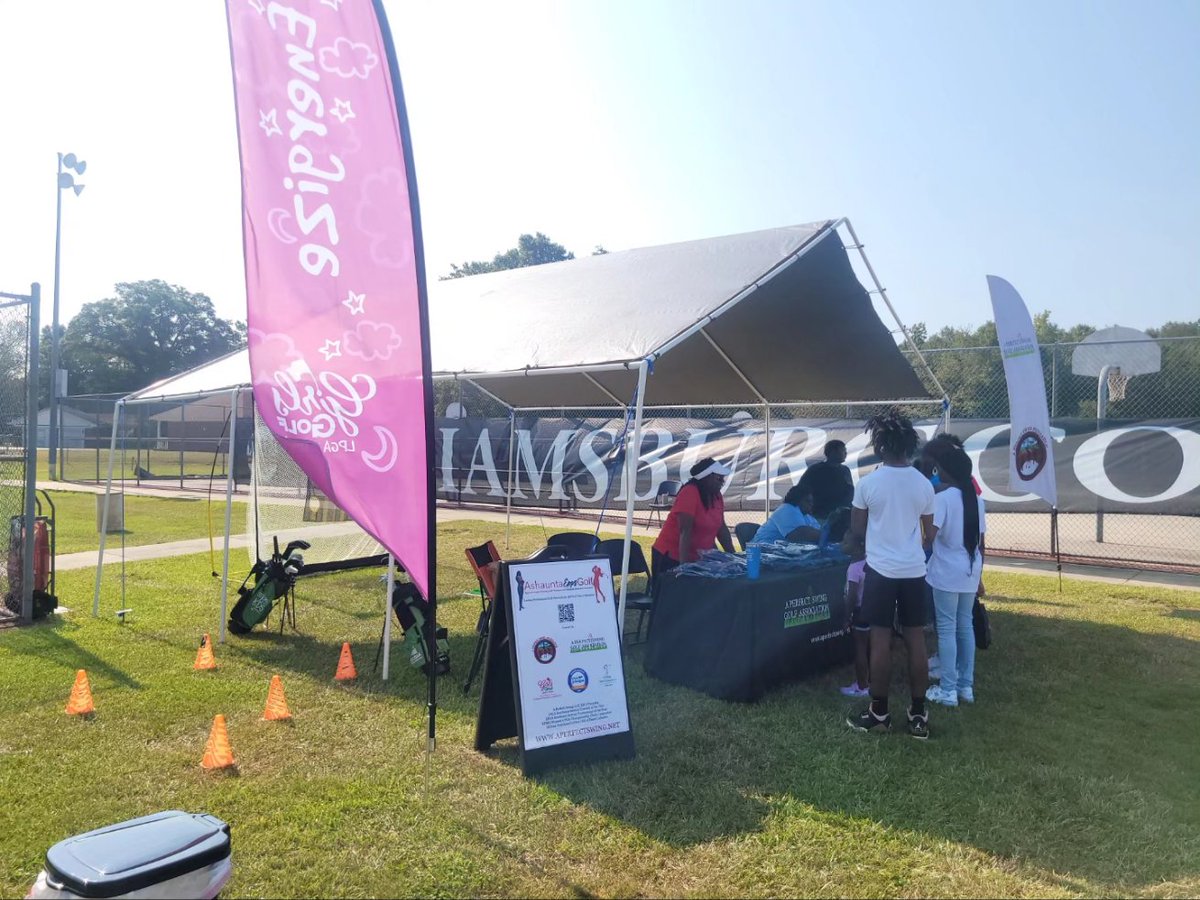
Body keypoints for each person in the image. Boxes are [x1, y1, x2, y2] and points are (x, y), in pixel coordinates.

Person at [846, 409, 936, 740]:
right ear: (909, 446)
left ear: (880, 446)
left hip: (881, 571)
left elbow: (857, 529)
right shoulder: (924, 484)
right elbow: (929, 535)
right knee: (916, 640)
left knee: (879, 639)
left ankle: (879, 713)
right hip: (914, 571)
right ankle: (917, 715)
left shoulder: (867, 483)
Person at [922, 442, 986, 707]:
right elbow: (980, 540)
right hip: (970, 570)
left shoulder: (944, 499)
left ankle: (947, 689)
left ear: (945, 471)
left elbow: (929, 537)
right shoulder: (976, 500)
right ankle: (965, 686)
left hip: (946, 572)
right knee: (965, 627)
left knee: (946, 630)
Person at [650, 457, 736, 591]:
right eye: (719, 478)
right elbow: (685, 532)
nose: (722, 482)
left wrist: (734, 558)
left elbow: (722, 529)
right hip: (671, 558)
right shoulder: (690, 492)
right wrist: (685, 569)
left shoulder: (717, 496)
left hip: (699, 559)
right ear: (706, 478)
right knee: (671, 600)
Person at [839, 529, 870, 698]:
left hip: (859, 612)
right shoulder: (869, 562)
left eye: (845, 543)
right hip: (871, 609)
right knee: (870, 648)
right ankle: (870, 681)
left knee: (860, 649)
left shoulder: (853, 569)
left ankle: (861, 686)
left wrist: (847, 617)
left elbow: (851, 595)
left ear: (857, 547)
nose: (842, 545)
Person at [798, 440, 855, 519]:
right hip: (820, 515)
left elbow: (850, 490)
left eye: (845, 451)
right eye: (843, 450)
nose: (845, 453)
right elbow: (801, 490)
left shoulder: (845, 470)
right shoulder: (815, 470)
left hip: (842, 515)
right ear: (832, 452)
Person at [753, 485, 821, 544]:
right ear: (797, 500)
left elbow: (819, 532)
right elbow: (800, 535)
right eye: (807, 501)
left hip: (779, 553)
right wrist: (828, 535)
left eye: (812, 501)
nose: (811, 504)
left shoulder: (807, 516)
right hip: (762, 551)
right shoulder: (787, 509)